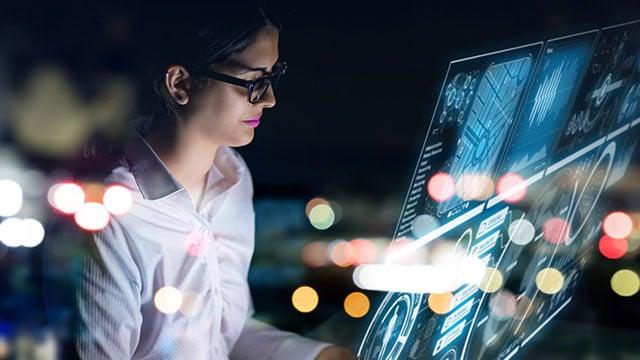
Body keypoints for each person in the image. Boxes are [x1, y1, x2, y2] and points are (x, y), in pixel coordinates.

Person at [50, 3, 355, 359]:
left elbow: (224, 331)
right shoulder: (115, 212)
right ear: (180, 83)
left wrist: (319, 355)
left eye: (272, 78)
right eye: (254, 82)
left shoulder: (235, 179)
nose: (270, 99)